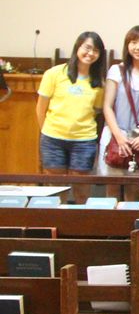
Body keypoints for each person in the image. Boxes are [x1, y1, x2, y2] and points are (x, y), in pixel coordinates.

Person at [36, 32, 106, 202]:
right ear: (77, 47)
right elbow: (40, 108)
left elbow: (96, 113)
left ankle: (80, 219)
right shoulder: (54, 73)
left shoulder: (99, 82)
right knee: (56, 190)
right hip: (53, 140)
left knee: (82, 190)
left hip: (84, 141)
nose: (90, 53)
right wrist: (48, 132)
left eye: (96, 50)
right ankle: (56, 219)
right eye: (87, 48)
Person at [102, 26, 139, 190]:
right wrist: (119, 136)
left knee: (134, 190)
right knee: (112, 188)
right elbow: (107, 106)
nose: (138, 47)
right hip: (117, 137)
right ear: (127, 45)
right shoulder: (117, 70)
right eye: (133, 42)